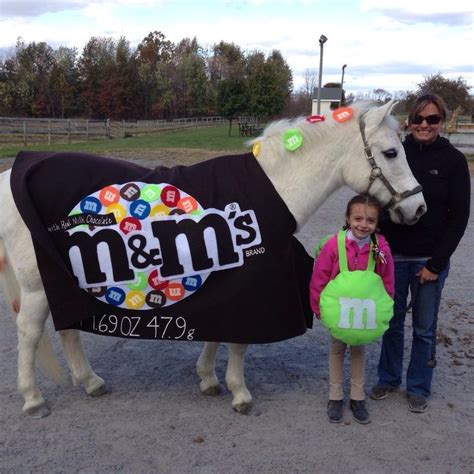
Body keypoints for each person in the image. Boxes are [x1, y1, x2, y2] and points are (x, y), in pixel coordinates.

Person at [371, 93, 471, 413]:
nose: (424, 125)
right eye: (418, 119)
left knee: (424, 328)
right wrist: (378, 240)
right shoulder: (397, 152)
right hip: (395, 256)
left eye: (432, 119)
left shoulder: (453, 161)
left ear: (441, 122)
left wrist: (437, 263)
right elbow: (379, 197)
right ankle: (388, 378)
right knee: (391, 322)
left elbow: (459, 218)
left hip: (429, 259)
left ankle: (418, 386)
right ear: (409, 121)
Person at [310, 194, 394, 424]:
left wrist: (385, 309)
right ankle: (335, 397)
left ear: (377, 224)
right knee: (337, 350)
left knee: (359, 351)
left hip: (364, 314)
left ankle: (357, 398)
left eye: (370, 221)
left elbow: (387, 281)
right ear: (347, 218)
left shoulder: (381, 248)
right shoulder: (333, 245)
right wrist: (319, 309)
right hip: (339, 313)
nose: (363, 225)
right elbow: (319, 278)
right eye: (357, 218)